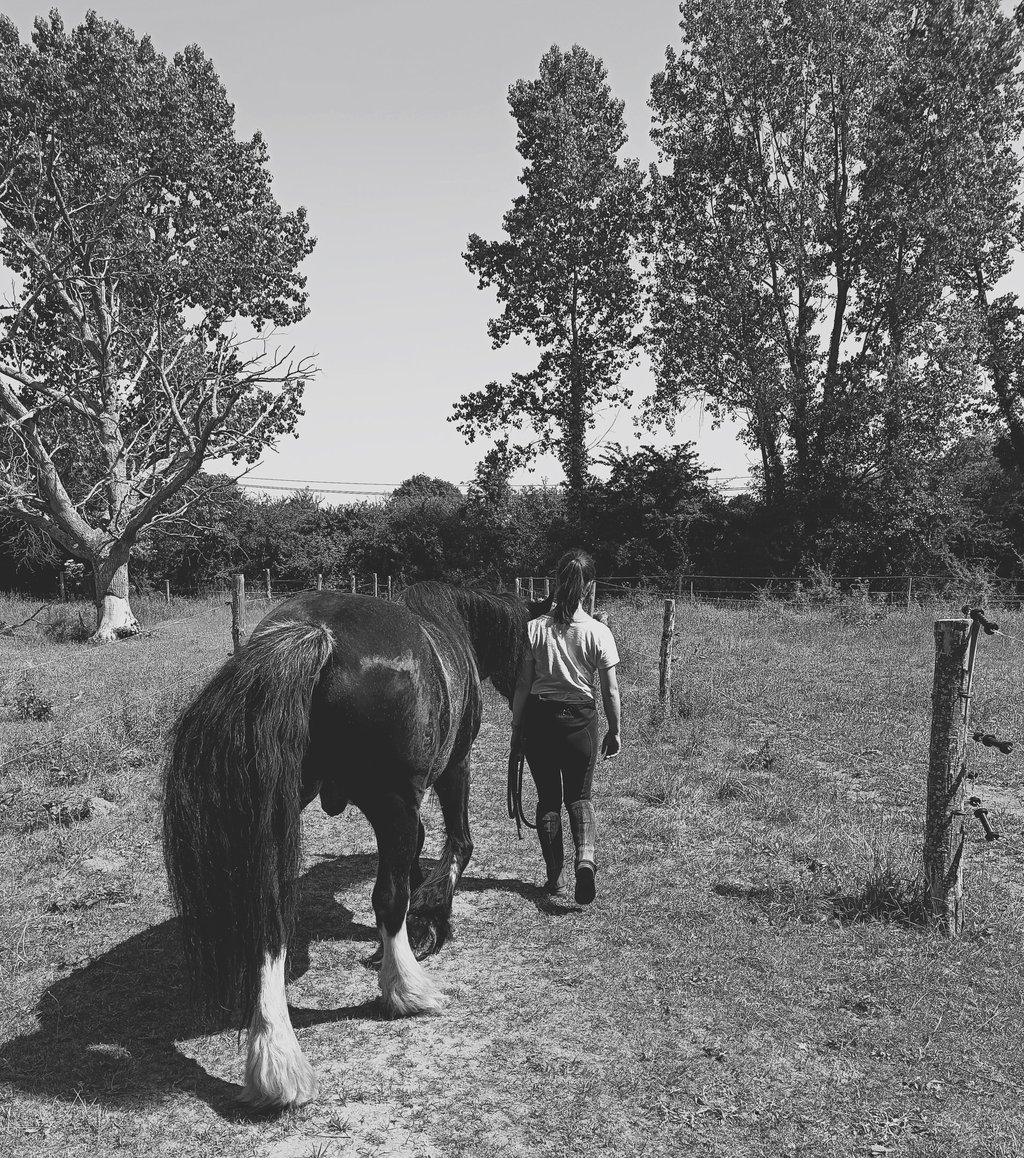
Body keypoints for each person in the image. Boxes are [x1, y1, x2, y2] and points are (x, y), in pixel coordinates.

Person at [511, 549, 621, 904]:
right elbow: (610, 690)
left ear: (557, 582)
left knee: (548, 799)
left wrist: (516, 728)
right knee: (580, 796)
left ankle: (555, 878)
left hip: (540, 722)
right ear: (589, 586)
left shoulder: (534, 629)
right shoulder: (598, 632)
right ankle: (585, 859)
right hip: (581, 722)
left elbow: (523, 685)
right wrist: (614, 730)